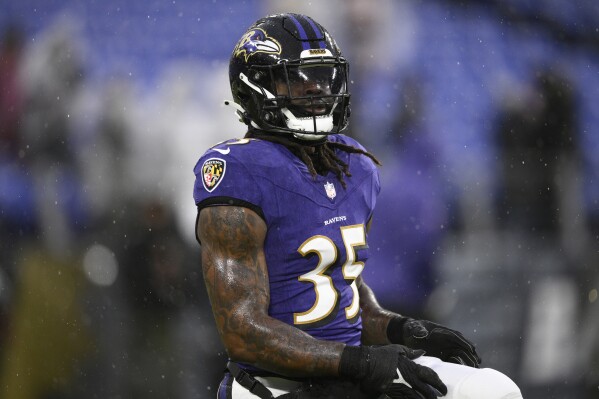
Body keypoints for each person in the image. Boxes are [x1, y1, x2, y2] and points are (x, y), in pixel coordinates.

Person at [193, 13, 523, 399]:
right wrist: (360, 363)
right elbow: (242, 332)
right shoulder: (238, 172)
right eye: (298, 78)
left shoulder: (353, 165)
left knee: (493, 390)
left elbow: (341, 294)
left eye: (322, 75)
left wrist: (405, 330)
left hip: (346, 368)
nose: (316, 88)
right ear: (256, 87)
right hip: (275, 384)